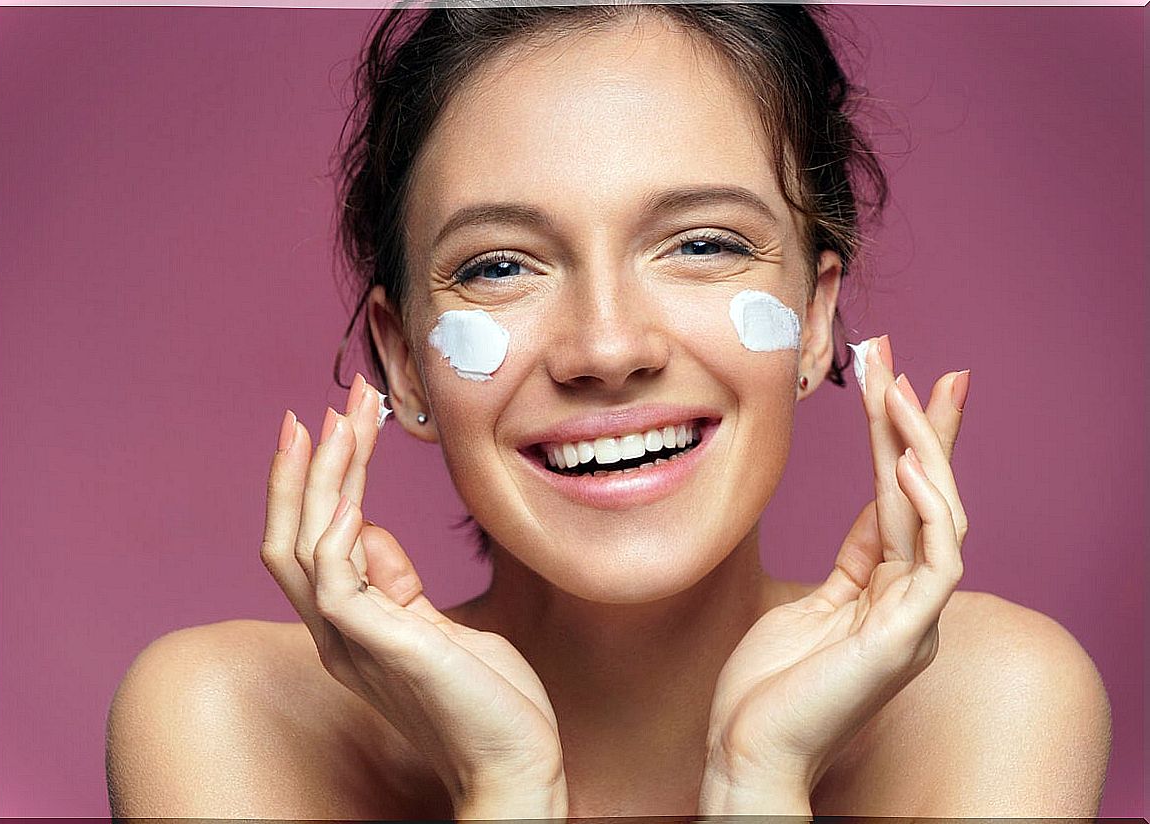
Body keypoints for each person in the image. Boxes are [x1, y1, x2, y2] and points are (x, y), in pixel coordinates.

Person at [105, 4, 1112, 818]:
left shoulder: (992, 699)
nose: (608, 347)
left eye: (703, 243)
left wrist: (757, 784)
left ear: (814, 323)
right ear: (404, 360)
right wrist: (506, 791)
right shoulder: (226, 719)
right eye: (501, 264)